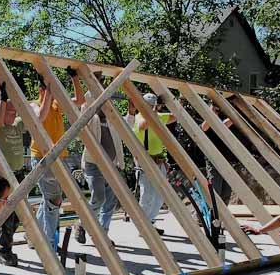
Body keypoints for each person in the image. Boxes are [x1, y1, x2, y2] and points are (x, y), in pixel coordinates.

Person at [29, 67, 85, 249]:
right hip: (42, 158)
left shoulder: (56, 104)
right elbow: (40, 117)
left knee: (49, 200)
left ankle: (35, 236)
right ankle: (50, 244)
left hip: (60, 158)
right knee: (54, 201)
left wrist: (74, 79)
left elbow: (80, 101)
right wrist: (49, 93)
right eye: (48, 89)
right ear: (41, 90)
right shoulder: (33, 104)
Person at [75, 88, 124, 244]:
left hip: (111, 165)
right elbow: (84, 106)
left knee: (110, 201)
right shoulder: (92, 118)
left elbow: (128, 125)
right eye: (102, 104)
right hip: (93, 164)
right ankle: (82, 224)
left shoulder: (112, 120)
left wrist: (130, 112)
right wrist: (94, 85)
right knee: (99, 198)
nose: (106, 107)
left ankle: (102, 234)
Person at [0, 66, 25, 266]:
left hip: (18, 175)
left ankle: (6, 248)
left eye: (14, 109)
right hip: (3, 177)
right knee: (6, 216)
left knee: (18, 215)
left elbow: (39, 117)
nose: (12, 112)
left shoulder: (18, 124)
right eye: (8, 109)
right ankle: (4, 251)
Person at [131, 93, 176, 234]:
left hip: (158, 160)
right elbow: (144, 125)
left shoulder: (156, 116)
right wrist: (155, 110)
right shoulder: (138, 118)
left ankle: (149, 221)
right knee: (147, 194)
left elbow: (174, 117)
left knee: (160, 194)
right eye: (149, 106)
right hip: (145, 160)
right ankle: (142, 225)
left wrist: (170, 103)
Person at [200, 105, 235, 206]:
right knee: (215, 192)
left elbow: (230, 121)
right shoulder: (204, 125)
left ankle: (222, 218)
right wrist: (211, 111)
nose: (216, 112)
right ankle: (205, 217)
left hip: (225, 161)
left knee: (226, 192)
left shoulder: (221, 125)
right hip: (213, 161)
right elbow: (204, 127)